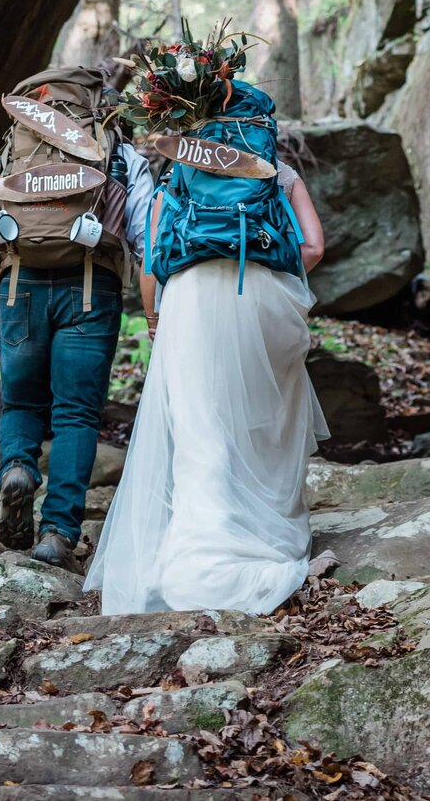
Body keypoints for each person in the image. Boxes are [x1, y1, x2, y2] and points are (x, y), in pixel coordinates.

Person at [84, 154, 328, 615]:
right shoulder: (278, 170)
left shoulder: (177, 175)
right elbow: (312, 247)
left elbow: (154, 263)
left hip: (190, 303)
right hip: (263, 297)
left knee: (202, 426)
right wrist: (273, 278)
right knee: (265, 420)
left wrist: (155, 319)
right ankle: (269, 531)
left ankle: (197, 560)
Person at [0, 89, 153, 574]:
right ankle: (57, 536)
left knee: (22, 402)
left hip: (17, 288)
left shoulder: (13, 149)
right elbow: (143, 234)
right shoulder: (118, 151)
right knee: (76, 415)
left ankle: (17, 469)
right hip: (91, 287)